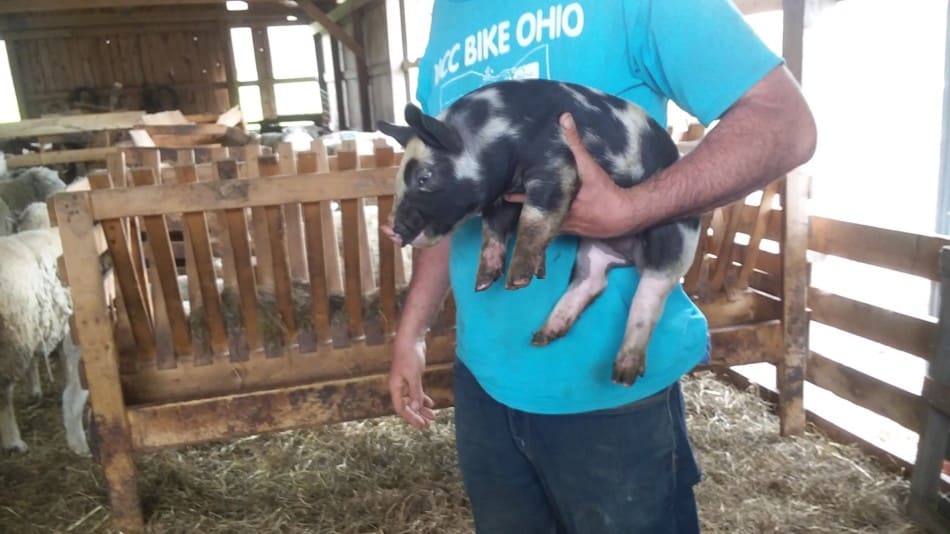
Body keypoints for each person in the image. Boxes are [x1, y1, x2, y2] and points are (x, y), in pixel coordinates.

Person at [387, 1, 817, 532]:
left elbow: (784, 121)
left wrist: (633, 209)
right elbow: (450, 199)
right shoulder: (449, 13)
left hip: (611, 401)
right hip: (483, 380)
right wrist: (413, 333)